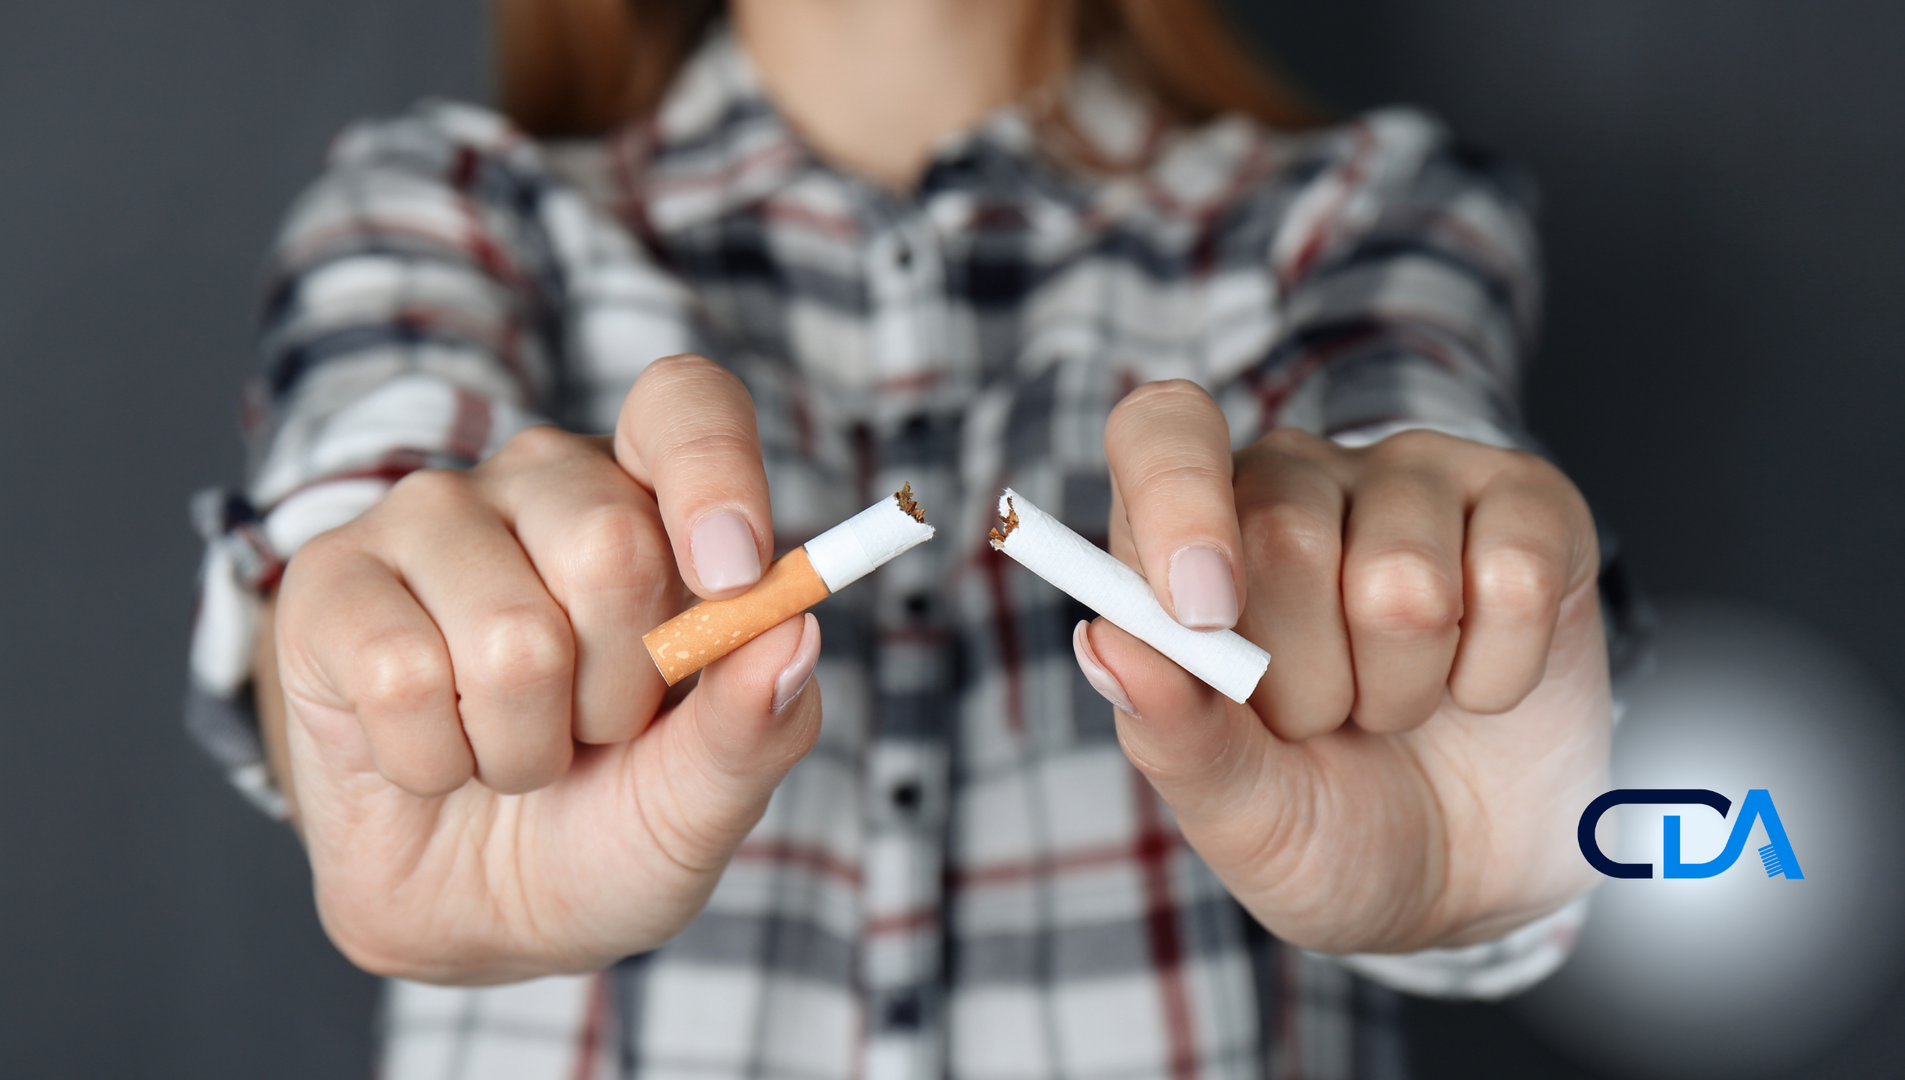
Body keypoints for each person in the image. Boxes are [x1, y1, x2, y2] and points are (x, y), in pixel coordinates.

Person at [185, 0, 1618, 1076]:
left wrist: (1440, 622)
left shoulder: (1365, 217)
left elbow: (1404, 420)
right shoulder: (443, 210)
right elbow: (362, 492)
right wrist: (386, 669)